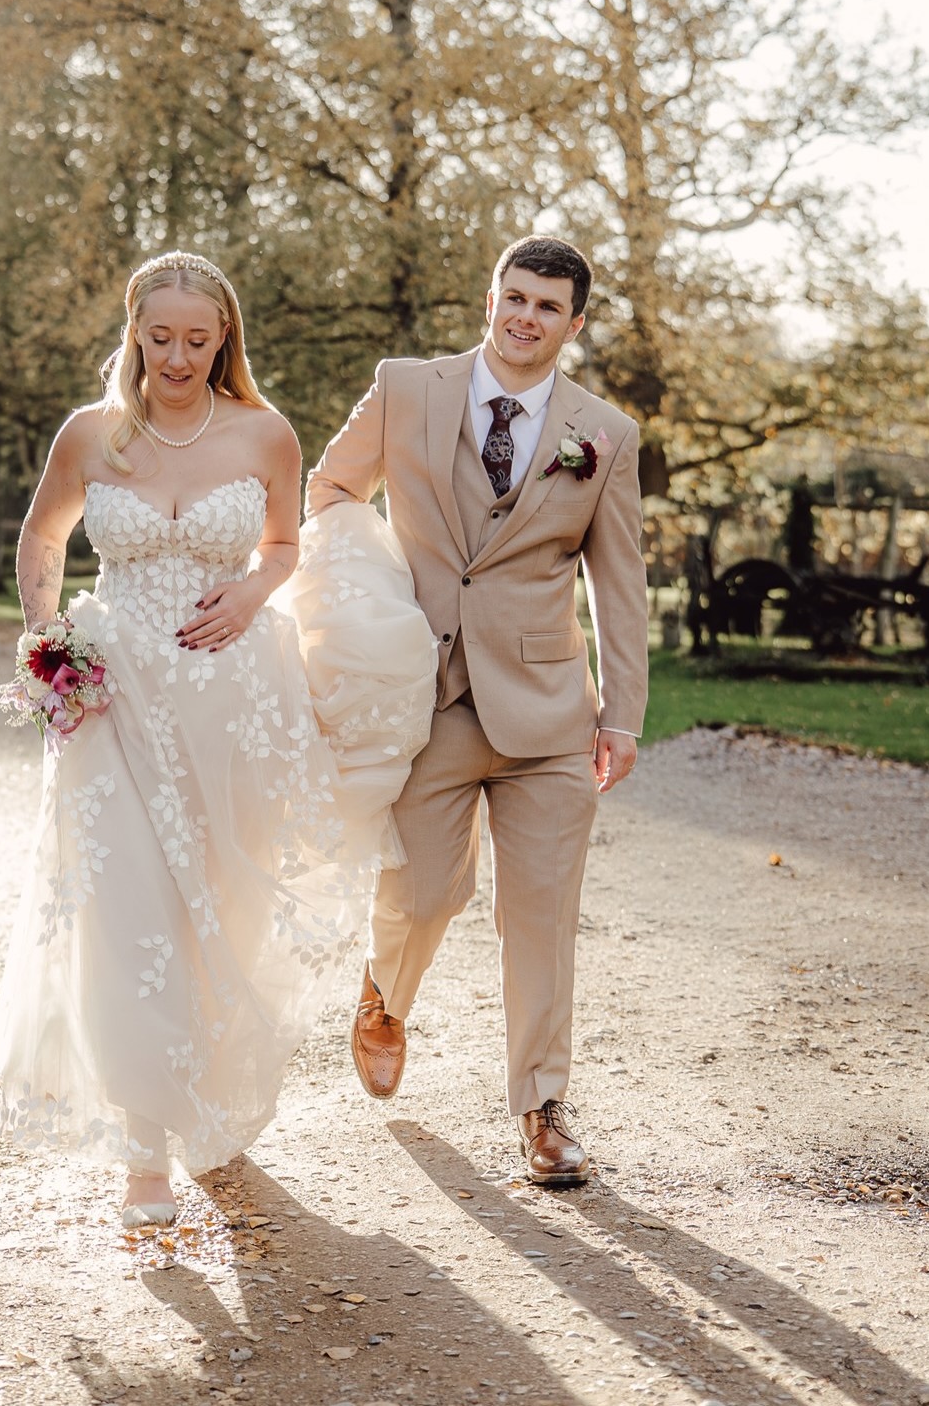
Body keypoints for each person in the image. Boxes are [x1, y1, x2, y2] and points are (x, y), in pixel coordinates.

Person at [0, 252, 435, 1227]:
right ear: (134, 331)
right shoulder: (91, 434)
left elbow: (283, 542)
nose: (178, 355)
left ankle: (207, 1094)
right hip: (111, 698)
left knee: (220, 908)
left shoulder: (266, 433)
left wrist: (253, 589)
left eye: (198, 339)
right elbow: (40, 536)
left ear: (225, 337)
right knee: (125, 907)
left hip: (233, 698)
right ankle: (142, 1143)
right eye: (161, 337)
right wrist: (45, 632)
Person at [306, 235, 648, 1187]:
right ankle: (383, 994)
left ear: (572, 325)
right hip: (428, 696)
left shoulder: (604, 435)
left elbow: (620, 586)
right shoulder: (406, 388)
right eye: (513, 297)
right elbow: (331, 488)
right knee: (420, 894)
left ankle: (541, 1109)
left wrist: (620, 714)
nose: (524, 316)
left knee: (539, 915)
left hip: (547, 710)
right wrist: (365, 606)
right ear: (489, 299)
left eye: (547, 306)